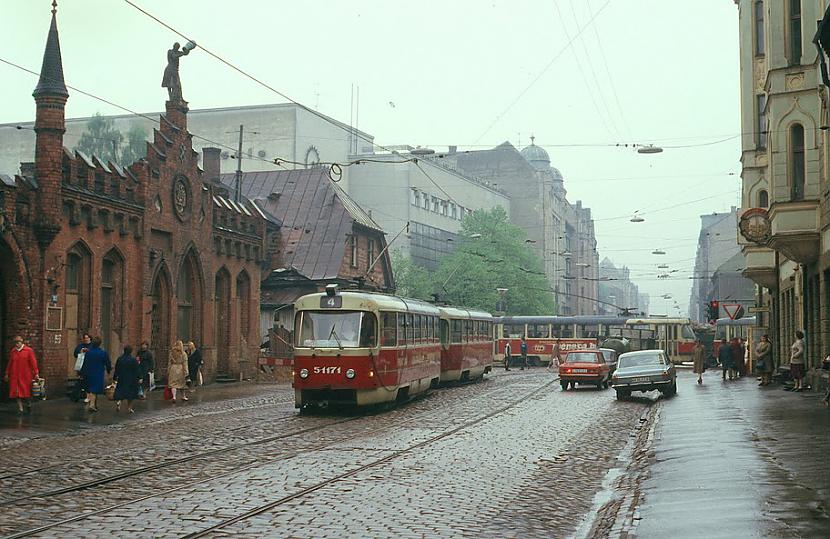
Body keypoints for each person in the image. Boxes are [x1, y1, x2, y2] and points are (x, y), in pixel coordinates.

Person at [4, 335, 39, 415]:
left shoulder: (28, 351)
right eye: (15, 343)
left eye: (18, 342)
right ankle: (20, 409)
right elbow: (10, 363)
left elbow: (33, 363)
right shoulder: (13, 351)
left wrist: (36, 373)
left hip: (25, 375)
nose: (17, 344)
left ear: (22, 342)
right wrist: (7, 373)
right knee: (16, 393)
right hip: (15, 375)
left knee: (26, 393)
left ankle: (28, 404)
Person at [79, 336, 111, 412]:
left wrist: (82, 373)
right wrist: (109, 370)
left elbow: (84, 363)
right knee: (94, 389)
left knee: (91, 389)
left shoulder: (88, 353)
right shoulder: (103, 353)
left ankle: (93, 404)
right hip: (98, 373)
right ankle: (92, 405)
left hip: (88, 372)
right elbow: (107, 363)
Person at [113, 345, 141, 414]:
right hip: (131, 379)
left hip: (122, 378)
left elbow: (116, 369)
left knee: (121, 391)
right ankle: (129, 408)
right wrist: (140, 377)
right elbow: (137, 370)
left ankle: (119, 401)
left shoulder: (120, 359)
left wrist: (115, 377)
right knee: (131, 394)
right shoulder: (133, 360)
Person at [73, 333, 91, 403]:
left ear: (90, 339)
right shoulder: (80, 346)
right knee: (81, 382)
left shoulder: (92, 346)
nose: (86, 339)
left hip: (89, 367)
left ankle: (88, 396)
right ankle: (77, 396)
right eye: (85, 338)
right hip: (81, 367)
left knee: (88, 382)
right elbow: (75, 353)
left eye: (87, 338)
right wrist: (80, 352)